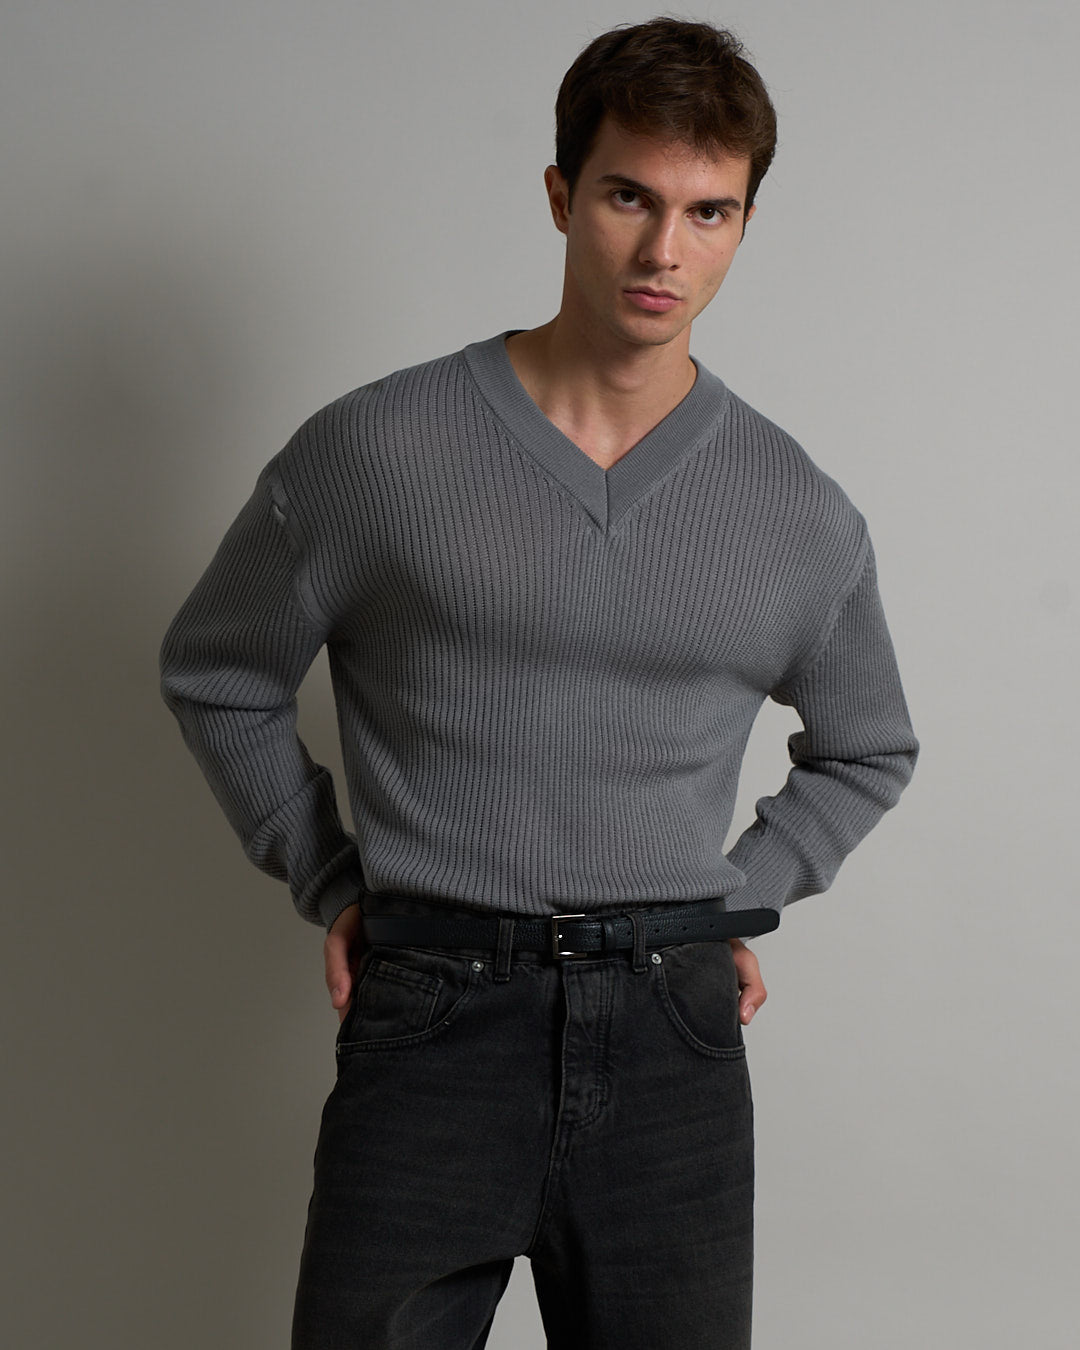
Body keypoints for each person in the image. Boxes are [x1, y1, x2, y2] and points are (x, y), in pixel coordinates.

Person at [159, 17, 918, 1349]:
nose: (664, 248)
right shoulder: (378, 451)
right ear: (563, 195)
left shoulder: (797, 510)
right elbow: (219, 670)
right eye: (630, 197)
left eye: (708, 211)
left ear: (744, 225)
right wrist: (331, 875)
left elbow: (868, 745)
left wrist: (732, 897)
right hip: (432, 1016)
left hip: (673, 1040)